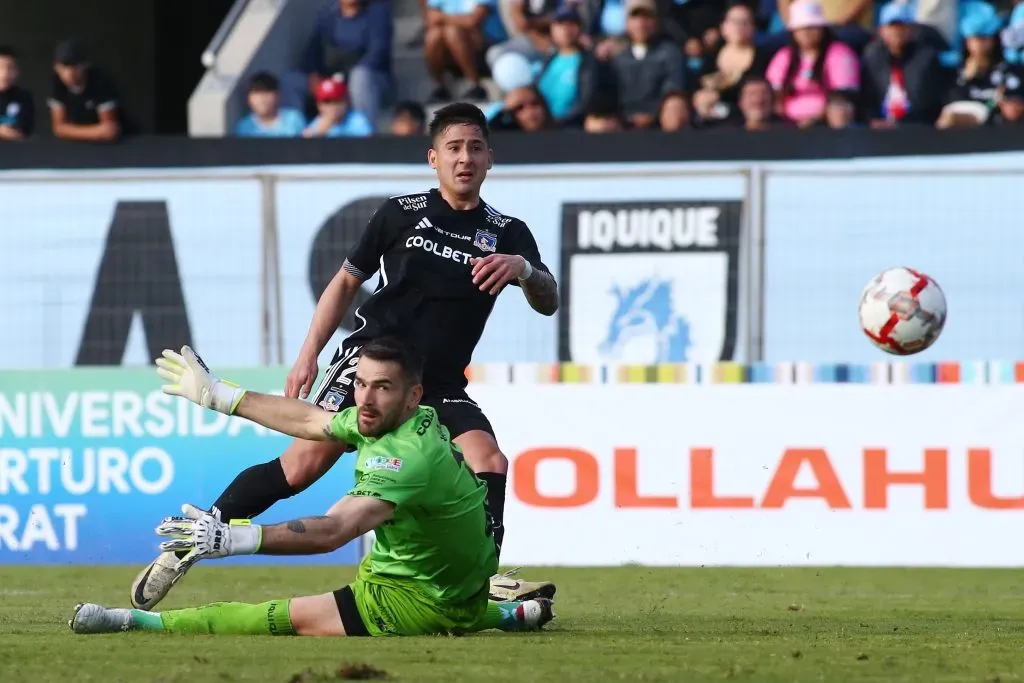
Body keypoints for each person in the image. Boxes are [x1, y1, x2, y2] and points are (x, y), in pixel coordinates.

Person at [130, 102, 560, 612]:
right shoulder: (400, 212)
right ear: (433, 159)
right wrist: (307, 356)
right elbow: (345, 282)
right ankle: (197, 536)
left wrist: (525, 271)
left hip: (437, 380)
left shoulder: (509, 233)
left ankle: (483, 576)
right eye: (453, 148)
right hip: (371, 362)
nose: (464, 158)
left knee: (489, 459)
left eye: (474, 148)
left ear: (490, 158)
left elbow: (548, 300)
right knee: (302, 465)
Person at [71, 341, 555, 637]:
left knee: (282, 618)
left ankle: (135, 622)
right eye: (361, 384)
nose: (364, 398)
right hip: (463, 584)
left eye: (381, 387)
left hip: (413, 599)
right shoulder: (396, 419)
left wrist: (237, 539)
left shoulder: (404, 456)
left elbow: (334, 532)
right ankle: (509, 614)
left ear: (413, 396)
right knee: (448, 586)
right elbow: (309, 418)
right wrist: (219, 395)